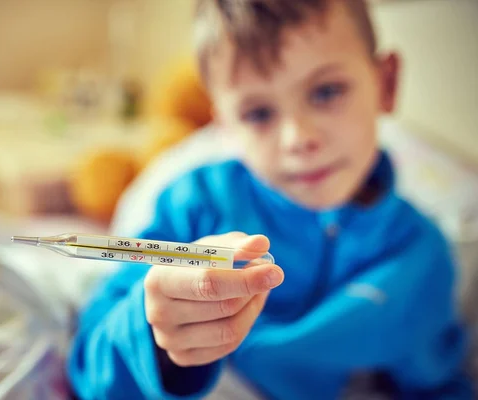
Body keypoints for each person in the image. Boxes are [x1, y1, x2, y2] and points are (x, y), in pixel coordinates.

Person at [67, 0, 472, 398]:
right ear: (224, 125)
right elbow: (93, 368)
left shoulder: (420, 256)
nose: (298, 139)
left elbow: (435, 385)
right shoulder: (195, 204)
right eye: (259, 114)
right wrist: (155, 335)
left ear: (386, 84)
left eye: (327, 92)